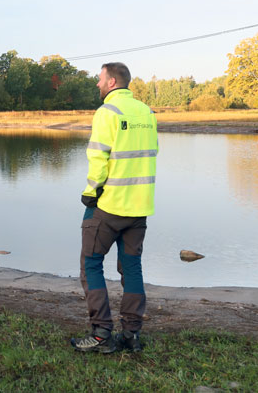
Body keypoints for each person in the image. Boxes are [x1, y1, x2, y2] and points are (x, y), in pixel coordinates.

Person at [71, 62, 158, 353]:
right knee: (131, 267)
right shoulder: (146, 112)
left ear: (111, 82)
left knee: (90, 263)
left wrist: (89, 192)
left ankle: (101, 333)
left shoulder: (107, 112)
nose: (97, 84)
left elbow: (99, 157)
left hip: (109, 205)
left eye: (99, 79)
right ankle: (131, 334)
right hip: (139, 206)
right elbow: (148, 154)